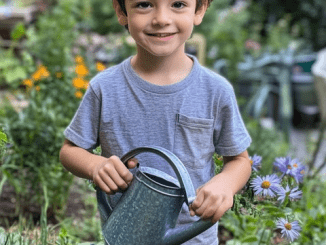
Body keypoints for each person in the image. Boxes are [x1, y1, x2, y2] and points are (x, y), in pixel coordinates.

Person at [59, 0, 252, 243]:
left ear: (200, 10)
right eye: (144, 4)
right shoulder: (105, 89)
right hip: (126, 236)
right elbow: (69, 151)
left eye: (178, 4)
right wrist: (95, 166)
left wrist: (225, 184)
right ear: (121, 12)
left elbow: (239, 160)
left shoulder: (215, 91)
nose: (161, 18)